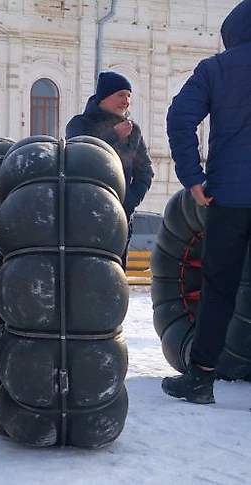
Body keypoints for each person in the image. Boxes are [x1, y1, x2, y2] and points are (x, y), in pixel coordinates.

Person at [161, 0, 251, 405]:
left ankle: (201, 379)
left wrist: (192, 179)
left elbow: (180, 119)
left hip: (228, 198)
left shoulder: (214, 69)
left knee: (218, 289)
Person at [66, 71, 155, 269]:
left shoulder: (133, 130)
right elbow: (78, 157)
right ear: (104, 97)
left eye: (129, 96)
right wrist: (113, 135)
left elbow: (146, 172)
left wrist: (129, 202)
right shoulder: (80, 123)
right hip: (83, 215)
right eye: (121, 95)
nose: (126, 100)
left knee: (114, 277)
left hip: (120, 218)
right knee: (83, 274)